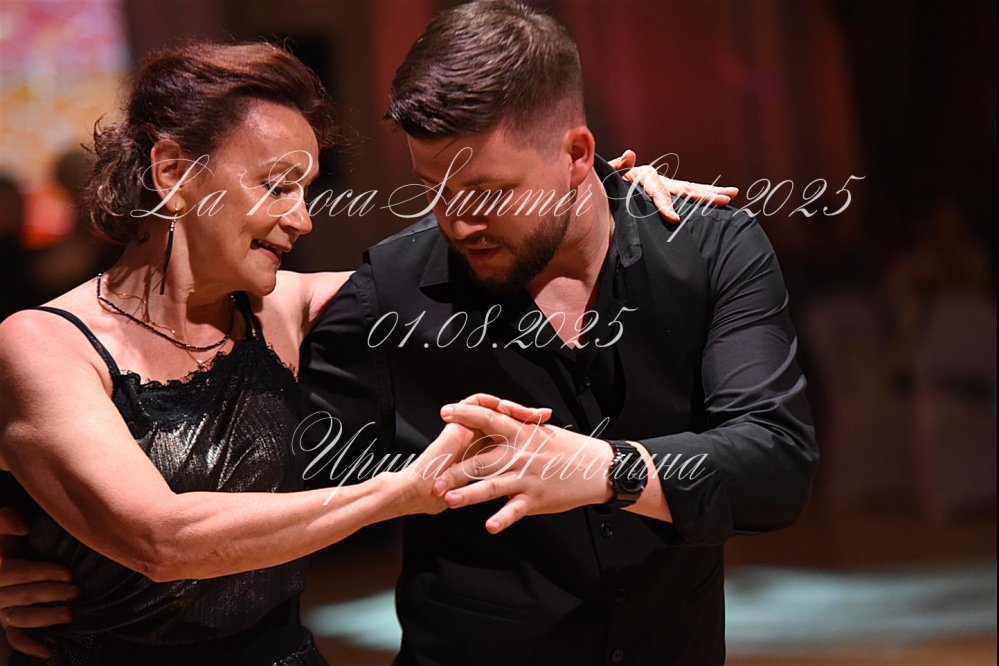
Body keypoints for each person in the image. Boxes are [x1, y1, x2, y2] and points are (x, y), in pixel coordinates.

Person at [0, 36, 727, 664]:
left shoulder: (289, 313)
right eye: (276, 186)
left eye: (307, 190)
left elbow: (482, 251)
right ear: (172, 173)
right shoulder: (45, 343)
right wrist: (403, 492)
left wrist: (593, 193)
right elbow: (160, 541)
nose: (302, 220)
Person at [299, 1, 818, 664]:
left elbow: (776, 466)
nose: (458, 223)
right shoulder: (390, 292)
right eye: (434, 189)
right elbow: (293, 492)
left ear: (576, 155)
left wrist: (603, 470)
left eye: (488, 192)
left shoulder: (710, 249)